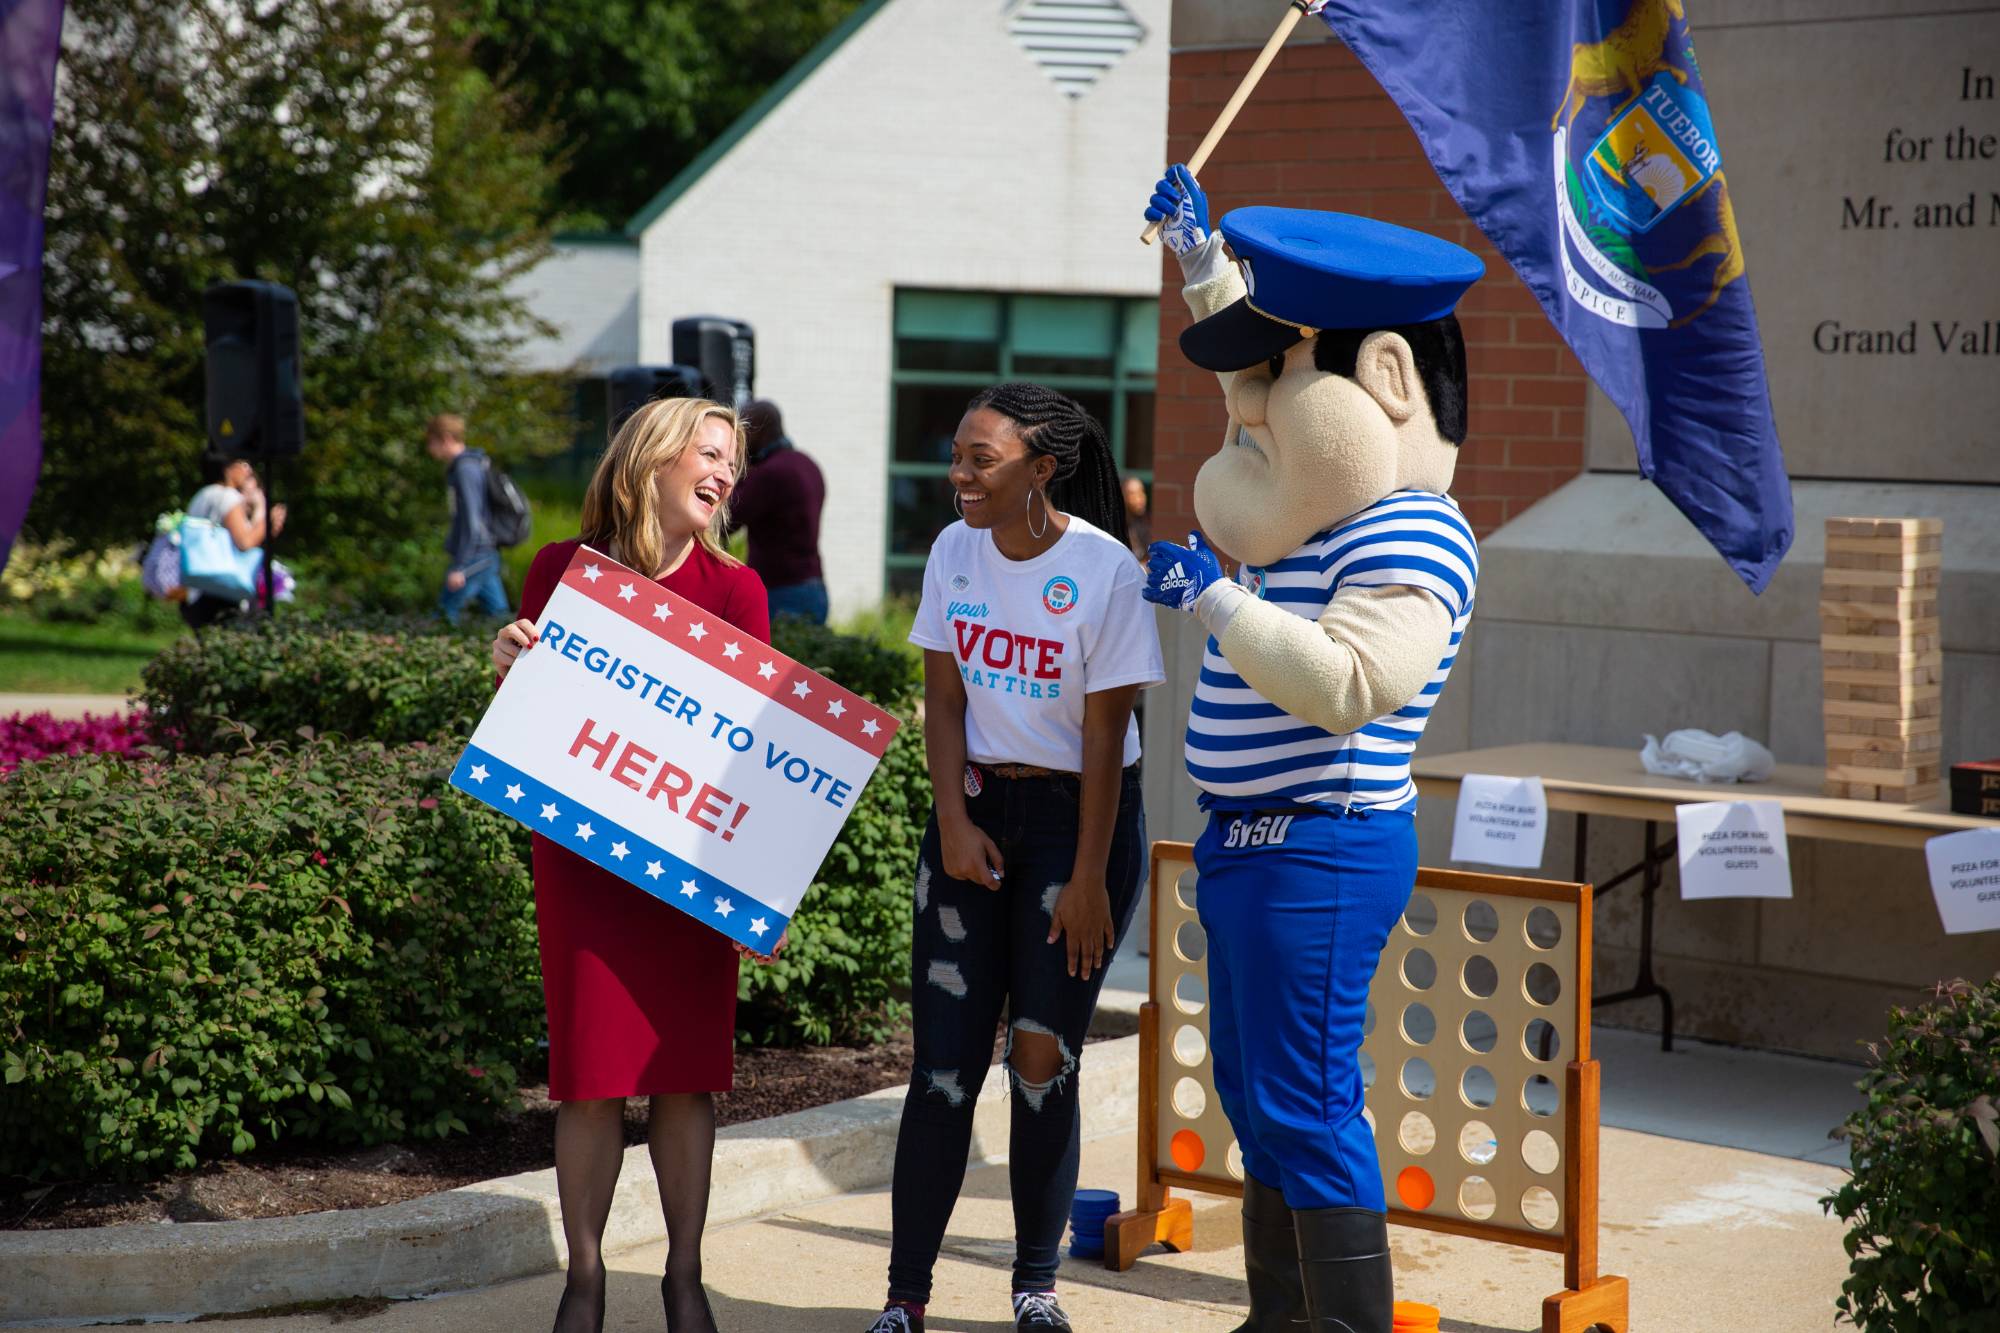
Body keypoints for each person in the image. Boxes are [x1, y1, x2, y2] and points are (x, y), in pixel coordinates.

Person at [1142, 166, 1482, 1333]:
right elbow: (1257, 357)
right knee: (1254, 1093)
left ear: (1385, 379)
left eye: (1274, 379)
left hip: (1320, 849)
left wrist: (1213, 603)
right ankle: (1278, 1317)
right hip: (1252, 847)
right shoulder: (1325, 506)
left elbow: (1350, 683)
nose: (1243, 408)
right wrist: (1200, 263)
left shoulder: (1412, 527)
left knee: (1303, 1101)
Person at [866, 384, 1164, 1333]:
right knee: (944, 1070)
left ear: (1043, 469)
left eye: (980, 460)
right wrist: (951, 820)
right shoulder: (954, 551)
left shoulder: (1105, 569)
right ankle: (904, 1298)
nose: (958, 476)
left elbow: (1108, 737)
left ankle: (1035, 1286)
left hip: (1081, 825)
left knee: (1041, 1059)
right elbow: (944, 703)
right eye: (956, 454)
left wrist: (1085, 881)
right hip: (978, 811)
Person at [488, 398, 773, 1333]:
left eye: (733, 461)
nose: (726, 473)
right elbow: (536, 725)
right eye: (710, 452)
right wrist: (509, 662)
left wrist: (761, 884)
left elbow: (756, 752)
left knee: (686, 1071)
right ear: (651, 457)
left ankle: (684, 1277)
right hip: (584, 861)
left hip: (689, 863)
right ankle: (585, 1279)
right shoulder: (557, 572)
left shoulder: (739, 590)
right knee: (591, 1073)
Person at [723, 399, 828, 623]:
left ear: (758, 431)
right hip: (813, 585)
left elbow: (726, 520)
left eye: (742, 431)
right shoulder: (807, 464)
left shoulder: (770, 474)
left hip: (781, 592)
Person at [181, 455, 285, 628]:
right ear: (227, 469)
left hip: (197, 586)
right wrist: (268, 520)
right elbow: (244, 542)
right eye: (243, 464)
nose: (248, 470)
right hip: (222, 588)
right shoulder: (228, 497)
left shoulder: (202, 495)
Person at [428, 412, 512, 623]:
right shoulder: (472, 465)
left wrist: (460, 566)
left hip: (475, 554)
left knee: (444, 615)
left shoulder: (465, 469)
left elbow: (471, 521)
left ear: (446, 438)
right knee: (499, 615)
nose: (430, 449)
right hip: (485, 552)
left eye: (432, 442)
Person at [1122, 475, 1150, 561]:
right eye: (1132, 494)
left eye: (1142, 492)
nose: (1140, 498)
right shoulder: (1118, 528)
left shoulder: (1147, 523)